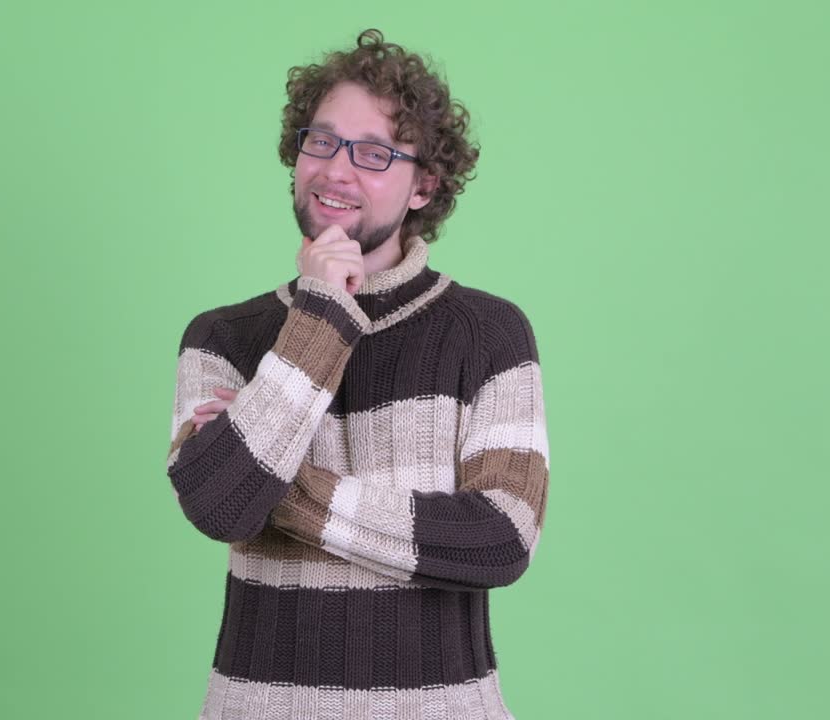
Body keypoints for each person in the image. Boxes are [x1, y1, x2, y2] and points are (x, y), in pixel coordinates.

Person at [166, 28, 549, 720]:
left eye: (373, 154)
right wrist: (323, 314)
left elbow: (500, 537)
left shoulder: (489, 335)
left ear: (424, 185)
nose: (337, 170)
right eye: (322, 142)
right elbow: (219, 506)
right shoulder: (222, 338)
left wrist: (274, 479)